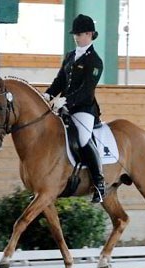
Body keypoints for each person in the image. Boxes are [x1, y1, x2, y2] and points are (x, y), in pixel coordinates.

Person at [44, 14, 105, 203]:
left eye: (79, 34)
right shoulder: (70, 56)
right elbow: (60, 80)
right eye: (75, 34)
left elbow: (86, 91)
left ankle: (99, 182)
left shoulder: (95, 61)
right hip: (64, 106)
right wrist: (48, 94)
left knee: (83, 137)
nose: (76, 37)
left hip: (84, 109)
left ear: (89, 34)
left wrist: (65, 101)